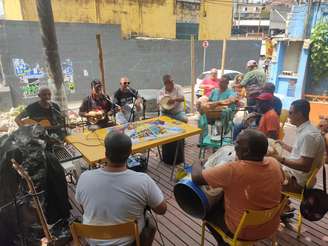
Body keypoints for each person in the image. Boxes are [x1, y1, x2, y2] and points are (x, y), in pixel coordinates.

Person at [192, 129, 284, 244]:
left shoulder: (233, 170)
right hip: (270, 224)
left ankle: (224, 243)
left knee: (206, 210)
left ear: (247, 151)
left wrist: (197, 162)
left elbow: (196, 177)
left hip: (242, 231)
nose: (234, 146)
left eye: (237, 143)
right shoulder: (274, 163)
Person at [75, 132, 167, 246]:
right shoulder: (143, 180)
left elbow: (82, 205)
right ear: (129, 154)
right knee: (151, 223)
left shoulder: (85, 177)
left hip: (92, 240)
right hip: (129, 242)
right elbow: (162, 210)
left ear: (105, 153)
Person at [272, 99, 325, 193]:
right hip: (293, 175)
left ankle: (272, 204)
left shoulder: (308, 135)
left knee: (260, 175)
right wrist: (284, 146)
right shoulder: (307, 130)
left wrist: (280, 159)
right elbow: (303, 153)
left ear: (299, 114)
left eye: (291, 112)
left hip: (295, 181)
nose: (288, 115)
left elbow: (305, 166)